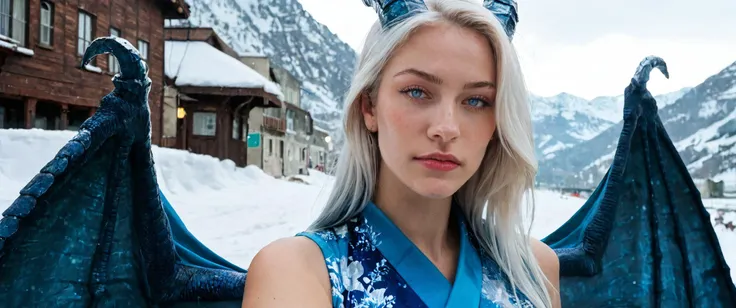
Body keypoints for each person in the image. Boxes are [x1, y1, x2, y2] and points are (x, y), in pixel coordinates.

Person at [242, 0, 560, 307]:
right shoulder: (299, 272)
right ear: (369, 107)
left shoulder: (533, 272)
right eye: (417, 92)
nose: (446, 128)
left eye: (476, 101)